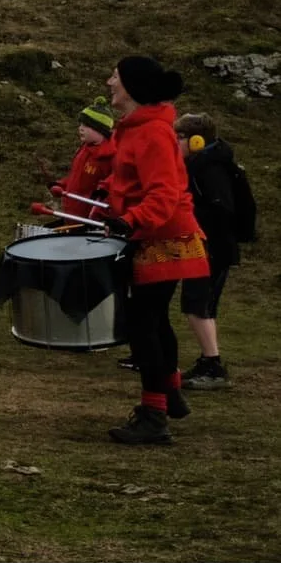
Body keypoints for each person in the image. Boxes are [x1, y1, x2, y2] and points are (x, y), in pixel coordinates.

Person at [99, 55, 209, 444]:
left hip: (161, 237)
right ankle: (171, 393)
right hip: (154, 234)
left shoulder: (153, 133)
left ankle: (154, 414)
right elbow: (135, 180)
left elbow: (164, 191)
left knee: (143, 325)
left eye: (115, 77)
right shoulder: (137, 129)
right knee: (155, 320)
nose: (109, 82)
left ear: (131, 86)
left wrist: (131, 220)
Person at [174, 112, 240, 391]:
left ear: (197, 141)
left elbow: (221, 209)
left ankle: (212, 364)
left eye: (179, 138)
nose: (175, 143)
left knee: (197, 306)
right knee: (200, 305)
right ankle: (209, 362)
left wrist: (185, 212)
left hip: (212, 248)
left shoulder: (209, 169)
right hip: (208, 246)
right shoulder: (203, 165)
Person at [47, 103, 118, 215]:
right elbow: (76, 177)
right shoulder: (84, 149)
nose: (80, 128)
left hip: (90, 218)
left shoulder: (110, 156)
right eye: (80, 124)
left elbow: (113, 185)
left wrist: (99, 200)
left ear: (99, 129)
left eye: (86, 125)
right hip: (72, 214)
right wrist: (60, 184)